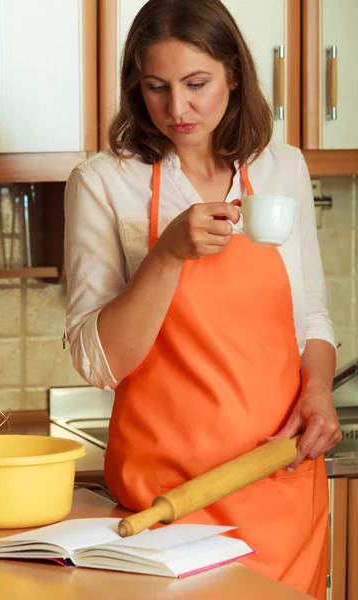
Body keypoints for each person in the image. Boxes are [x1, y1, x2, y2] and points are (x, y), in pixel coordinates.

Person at [64, 0, 342, 597]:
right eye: (156, 87)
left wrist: (318, 392)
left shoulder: (281, 168)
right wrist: (166, 253)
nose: (177, 109)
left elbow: (310, 315)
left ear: (234, 74)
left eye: (197, 84)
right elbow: (96, 364)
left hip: (278, 479)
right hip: (165, 504)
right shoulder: (104, 183)